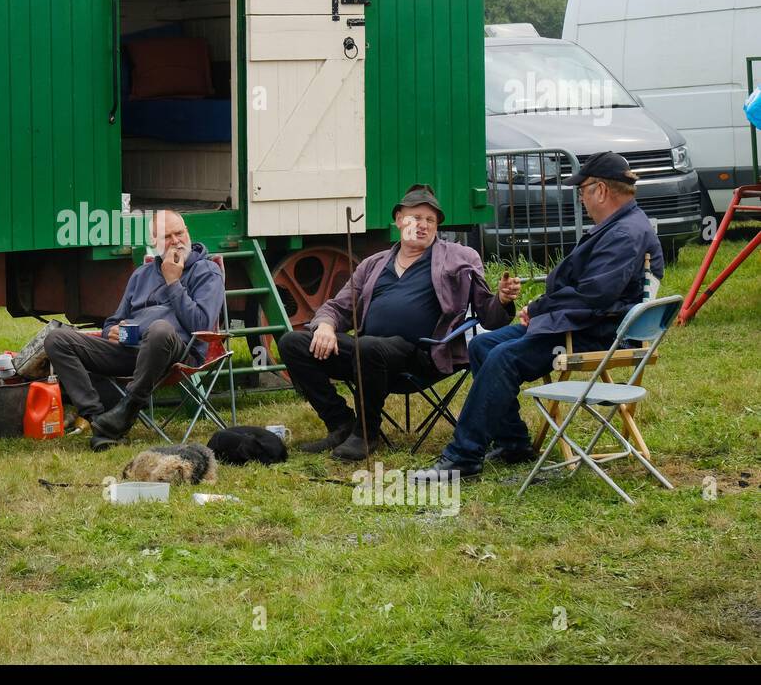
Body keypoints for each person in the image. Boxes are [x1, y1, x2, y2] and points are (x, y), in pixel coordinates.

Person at [411, 152, 664, 481]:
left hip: (594, 333)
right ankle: (514, 443)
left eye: (583, 190)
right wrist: (543, 308)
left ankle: (463, 456)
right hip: (581, 323)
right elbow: (590, 292)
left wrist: (542, 307)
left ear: (600, 190)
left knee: (503, 357)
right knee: (483, 346)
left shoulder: (623, 234)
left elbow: (594, 295)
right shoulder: (621, 226)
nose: (581, 198)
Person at [279, 184, 520, 461]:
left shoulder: (458, 258)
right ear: (398, 220)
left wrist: (501, 299)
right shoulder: (374, 264)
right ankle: (341, 423)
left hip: (420, 355)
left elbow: (488, 314)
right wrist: (325, 325)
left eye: (430, 221)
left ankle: (365, 436)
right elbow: (338, 307)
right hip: (365, 355)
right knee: (293, 342)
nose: (423, 226)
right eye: (416, 218)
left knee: (368, 346)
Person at [44, 209, 226, 451]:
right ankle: (98, 418)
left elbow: (201, 324)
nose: (176, 241)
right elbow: (115, 319)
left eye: (179, 233)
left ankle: (127, 409)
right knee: (57, 339)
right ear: (154, 242)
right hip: (131, 350)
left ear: (188, 232)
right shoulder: (141, 275)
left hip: (177, 352)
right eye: (167, 236)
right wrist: (112, 330)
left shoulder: (206, 271)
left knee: (160, 329)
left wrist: (173, 282)